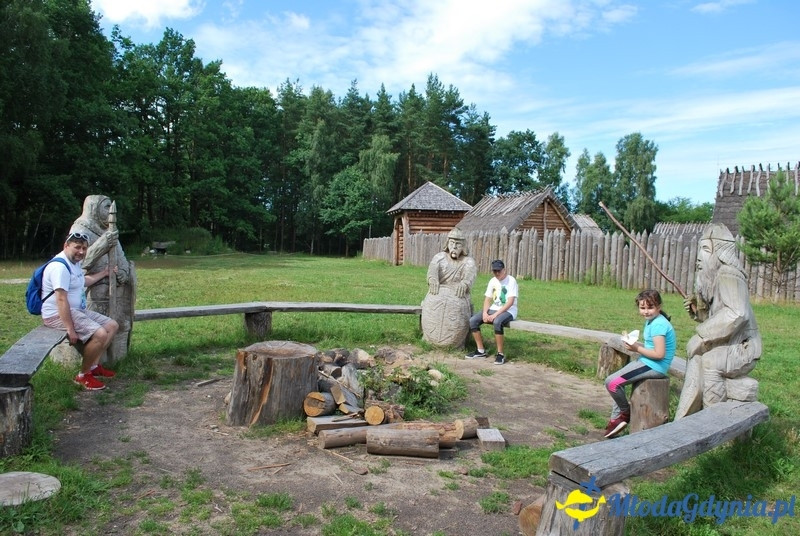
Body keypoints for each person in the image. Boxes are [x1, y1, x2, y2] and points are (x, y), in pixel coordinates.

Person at [675, 224, 762, 419]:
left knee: (710, 362)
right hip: (728, 343)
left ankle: (712, 419)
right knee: (697, 357)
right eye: (700, 249)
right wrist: (698, 312)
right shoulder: (715, 278)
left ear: (720, 253)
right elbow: (717, 318)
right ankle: (687, 417)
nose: (699, 257)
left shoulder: (729, 274)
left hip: (743, 347)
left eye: (706, 250)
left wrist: (701, 336)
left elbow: (736, 314)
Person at [41, 231, 119, 390]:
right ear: (66, 246)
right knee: (100, 334)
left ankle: (93, 367)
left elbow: (83, 281)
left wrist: (104, 273)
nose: (81, 252)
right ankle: (83, 376)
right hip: (57, 314)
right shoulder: (59, 267)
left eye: (84, 248)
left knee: (112, 326)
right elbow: (61, 299)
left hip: (76, 310)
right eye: (77, 247)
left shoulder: (74, 264)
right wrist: (70, 329)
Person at [603, 289, 676, 439]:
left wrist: (636, 348)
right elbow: (652, 347)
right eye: (643, 308)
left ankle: (625, 413)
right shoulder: (654, 321)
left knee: (612, 383)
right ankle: (616, 420)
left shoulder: (658, 325)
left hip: (654, 366)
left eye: (650, 307)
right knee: (618, 381)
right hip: (647, 362)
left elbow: (659, 354)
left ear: (659, 306)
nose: (646, 311)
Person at [70, 194, 135, 361]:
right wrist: (103, 243)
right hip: (94, 291)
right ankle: (98, 361)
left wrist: (123, 272)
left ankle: (118, 359)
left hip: (116, 290)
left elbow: (121, 257)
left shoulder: (109, 230)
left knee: (122, 324)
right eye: (106, 207)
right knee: (96, 328)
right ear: (94, 208)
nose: (110, 211)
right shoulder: (81, 229)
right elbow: (80, 261)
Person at [421, 228, 478, 347]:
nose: (454, 247)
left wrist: (465, 283)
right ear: (447, 244)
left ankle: (459, 341)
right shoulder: (439, 258)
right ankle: (428, 337)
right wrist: (432, 279)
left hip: (458, 297)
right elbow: (432, 270)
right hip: (437, 296)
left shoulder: (468, 262)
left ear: (463, 246)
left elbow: (470, 276)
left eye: (458, 244)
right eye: (452, 243)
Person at [465, 259, 518, 365]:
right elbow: (487, 299)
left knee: (497, 322)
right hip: (494, 308)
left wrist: (495, 315)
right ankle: (480, 350)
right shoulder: (492, 281)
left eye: (499, 271)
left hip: (509, 310)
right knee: (473, 320)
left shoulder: (511, 281)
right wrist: (485, 313)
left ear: (504, 270)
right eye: (495, 271)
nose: (497, 273)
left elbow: (510, 302)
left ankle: (500, 354)